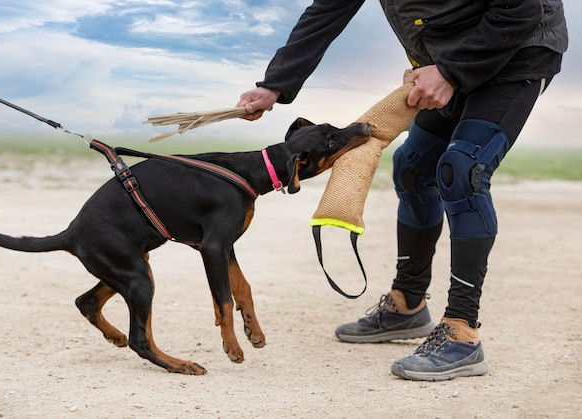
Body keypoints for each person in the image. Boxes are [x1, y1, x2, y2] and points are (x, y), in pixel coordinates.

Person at [236, 0, 568, 381]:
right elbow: (328, 9)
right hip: (443, 59)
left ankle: (462, 331)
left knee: (462, 170)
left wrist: (449, 72)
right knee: (412, 168)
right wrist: (274, 84)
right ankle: (407, 305)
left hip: (517, 50)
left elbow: (519, 11)